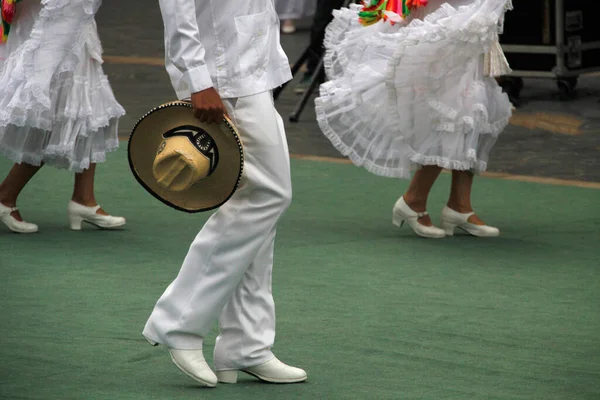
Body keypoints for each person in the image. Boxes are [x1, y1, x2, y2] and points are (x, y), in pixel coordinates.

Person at [142, 0, 307, 388]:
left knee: (257, 204)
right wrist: (199, 79)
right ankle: (179, 322)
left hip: (248, 64)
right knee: (267, 196)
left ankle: (246, 344)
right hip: (221, 73)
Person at [315, 0, 513, 238]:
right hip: (445, 13)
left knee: (473, 106)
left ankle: (459, 205)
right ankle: (415, 200)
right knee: (452, 107)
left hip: (472, 10)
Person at [0, 0, 126, 234]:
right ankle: (5, 195)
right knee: (50, 106)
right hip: (55, 14)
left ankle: (84, 199)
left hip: (75, 17)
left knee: (85, 104)